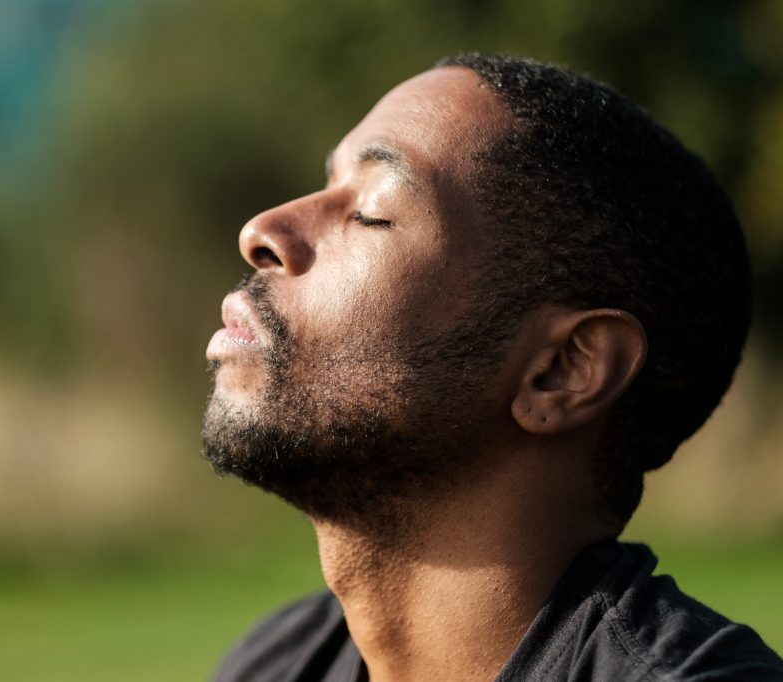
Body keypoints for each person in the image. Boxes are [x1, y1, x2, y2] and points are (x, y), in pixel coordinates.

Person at [201, 53, 783, 682]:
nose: (262, 229)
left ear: (562, 370)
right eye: (328, 182)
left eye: (371, 211)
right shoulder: (276, 662)